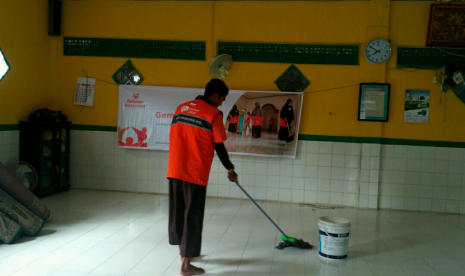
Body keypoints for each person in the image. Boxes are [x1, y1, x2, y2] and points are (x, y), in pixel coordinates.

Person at [167, 79, 238, 276]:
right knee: (192, 216)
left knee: (178, 212)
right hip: (194, 172)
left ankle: (184, 252)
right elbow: (219, 146)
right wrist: (230, 168)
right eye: (222, 99)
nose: (222, 103)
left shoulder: (181, 108)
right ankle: (185, 266)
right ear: (214, 96)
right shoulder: (213, 114)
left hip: (174, 169)